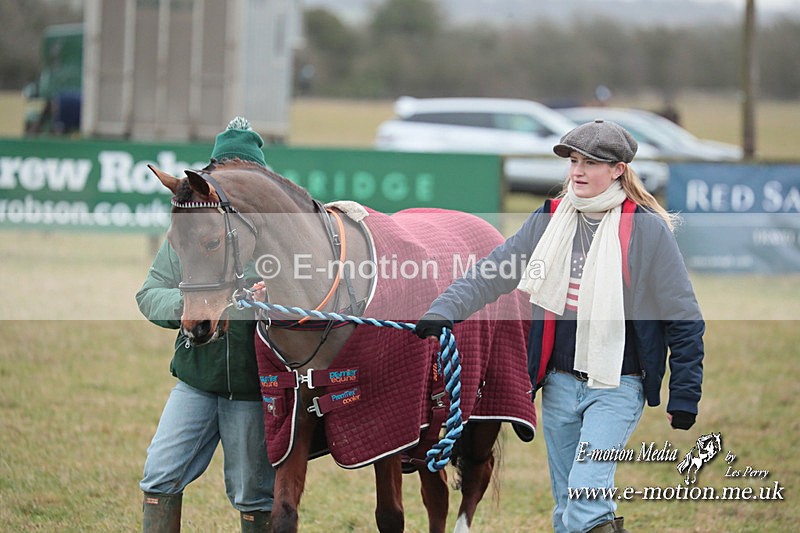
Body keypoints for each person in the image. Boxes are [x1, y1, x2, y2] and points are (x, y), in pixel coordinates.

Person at [415, 120, 704, 533]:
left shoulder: (647, 229)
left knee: (585, 499)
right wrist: (445, 309)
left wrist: (685, 393)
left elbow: (683, 316)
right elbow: (496, 270)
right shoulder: (551, 218)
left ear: (618, 169)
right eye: (573, 161)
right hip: (560, 385)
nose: (578, 172)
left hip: (618, 385)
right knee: (567, 506)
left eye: (591, 163)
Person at [136, 117, 275, 532]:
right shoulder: (193, 227)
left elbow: (313, 300)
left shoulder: (281, 232)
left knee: (253, 495)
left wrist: (274, 299)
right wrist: (189, 306)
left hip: (252, 389)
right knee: (159, 476)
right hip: (195, 380)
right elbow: (149, 292)